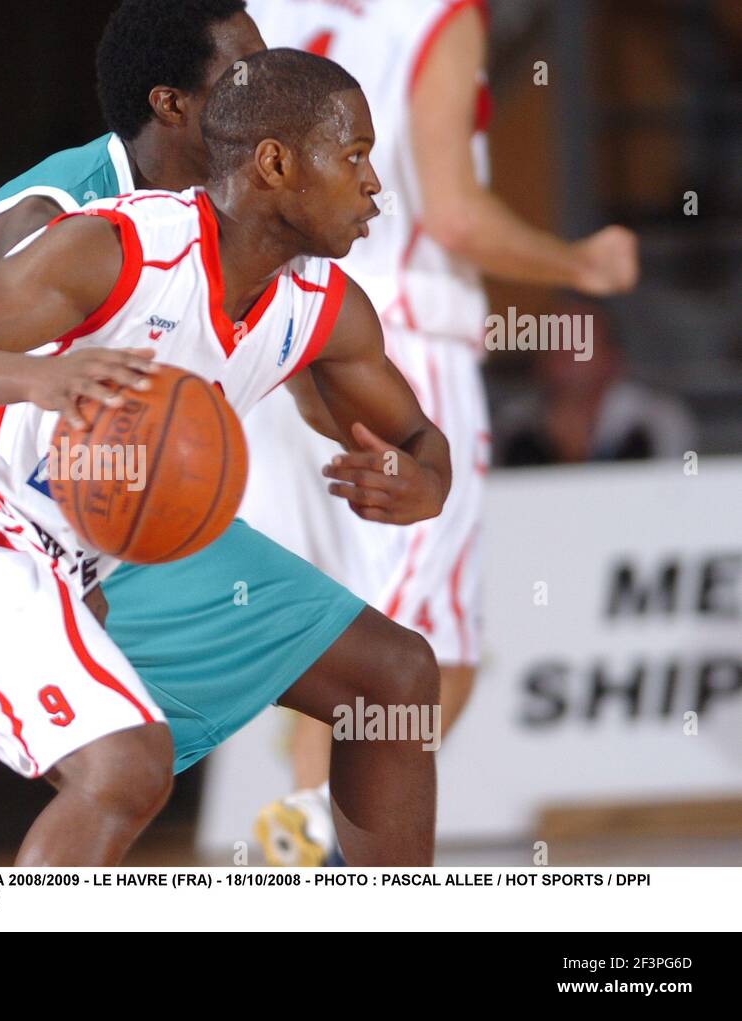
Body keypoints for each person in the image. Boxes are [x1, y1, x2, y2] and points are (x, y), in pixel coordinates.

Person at [0, 45, 452, 868]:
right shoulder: (121, 248)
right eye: (354, 157)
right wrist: (42, 377)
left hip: (46, 568)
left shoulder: (320, 308)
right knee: (126, 765)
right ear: (276, 163)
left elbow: (417, 439)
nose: (375, 183)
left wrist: (424, 478)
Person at [243, 0, 640, 864]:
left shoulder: (263, 12)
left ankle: (306, 823)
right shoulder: (436, 14)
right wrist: (579, 263)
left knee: (340, 624)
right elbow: (453, 215)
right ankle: (317, 833)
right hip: (399, 340)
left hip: (277, 334)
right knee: (435, 642)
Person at [497, 298, 695, 466]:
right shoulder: (515, 427)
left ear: (612, 360)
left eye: (579, 343)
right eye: (554, 341)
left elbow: (675, 496)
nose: (563, 352)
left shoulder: (656, 422)